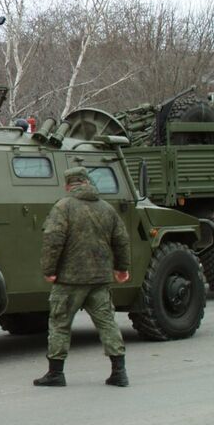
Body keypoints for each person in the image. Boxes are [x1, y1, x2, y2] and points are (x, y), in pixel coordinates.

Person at [34, 166, 131, 388]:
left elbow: (53, 239)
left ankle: (56, 373)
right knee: (107, 322)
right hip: (99, 279)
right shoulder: (107, 208)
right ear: (87, 182)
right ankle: (119, 371)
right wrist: (122, 268)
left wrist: (49, 270)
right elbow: (121, 239)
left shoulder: (63, 207)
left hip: (69, 280)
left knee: (59, 323)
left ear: (69, 185)